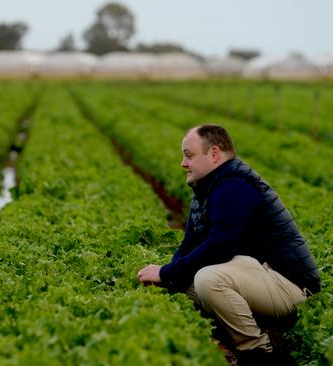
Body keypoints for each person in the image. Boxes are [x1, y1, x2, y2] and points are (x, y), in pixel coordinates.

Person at [137, 124, 320, 364]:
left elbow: (220, 247)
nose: (183, 163)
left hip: (290, 286)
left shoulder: (234, 186)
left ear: (214, 154)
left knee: (208, 279)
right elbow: (190, 244)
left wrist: (166, 272)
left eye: (189, 155)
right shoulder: (206, 189)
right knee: (181, 278)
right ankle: (232, 330)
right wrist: (167, 275)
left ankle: (258, 350)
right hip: (257, 276)